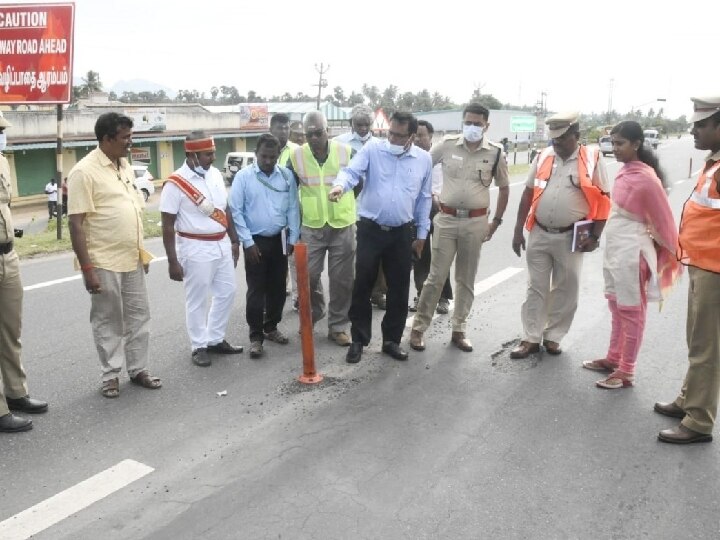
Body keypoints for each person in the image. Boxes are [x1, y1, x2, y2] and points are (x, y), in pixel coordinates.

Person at [68, 112, 162, 398]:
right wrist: (87, 268)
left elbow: (131, 210)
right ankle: (110, 375)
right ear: (107, 139)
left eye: (130, 137)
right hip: (103, 259)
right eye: (125, 138)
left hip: (131, 257)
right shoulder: (84, 172)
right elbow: (75, 222)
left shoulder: (124, 165)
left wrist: (140, 252)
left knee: (138, 315)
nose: (129, 143)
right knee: (109, 319)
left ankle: (138, 369)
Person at [582, 121, 681, 389]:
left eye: (620, 144)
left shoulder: (647, 179)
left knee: (631, 310)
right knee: (615, 305)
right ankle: (613, 358)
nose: (614, 149)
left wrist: (665, 253)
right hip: (616, 248)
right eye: (612, 143)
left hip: (632, 252)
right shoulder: (626, 171)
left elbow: (664, 221)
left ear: (636, 144)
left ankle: (627, 370)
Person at [330, 111, 432, 364]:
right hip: (370, 229)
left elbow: (424, 198)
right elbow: (351, 172)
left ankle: (391, 341)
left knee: (399, 288)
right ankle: (358, 340)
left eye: (399, 136)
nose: (393, 139)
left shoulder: (423, 160)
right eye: (390, 133)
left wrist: (421, 234)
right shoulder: (373, 150)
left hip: (402, 233)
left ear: (411, 136)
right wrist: (340, 186)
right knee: (362, 284)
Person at [510, 112, 611, 359]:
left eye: (563, 137)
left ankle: (553, 336)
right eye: (553, 137)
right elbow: (527, 193)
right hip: (539, 232)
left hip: (571, 236)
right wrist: (517, 230)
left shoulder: (592, 158)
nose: (557, 142)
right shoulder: (544, 155)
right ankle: (530, 337)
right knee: (536, 287)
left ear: (576, 136)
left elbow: (604, 199)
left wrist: (595, 236)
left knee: (566, 287)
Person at [409, 104, 509, 353]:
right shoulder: (447, 145)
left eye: (477, 123)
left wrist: (495, 222)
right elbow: (421, 168)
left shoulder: (496, 152)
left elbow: (505, 187)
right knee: (435, 277)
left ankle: (459, 330)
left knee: (466, 279)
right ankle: (419, 329)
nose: (472, 127)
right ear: (462, 122)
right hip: (446, 219)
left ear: (487, 125)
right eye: (468, 122)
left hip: (476, 223)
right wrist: (427, 196)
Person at [655, 96, 720, 444]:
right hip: (702, 266)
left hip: (715, 271)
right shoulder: (713, 163)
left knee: (706, 347)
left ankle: (698, 420)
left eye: (701, 124)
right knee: (697, 340)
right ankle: (688, 399)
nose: (694, 129)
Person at [159, 131, 244, 367]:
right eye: (208, 154)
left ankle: (215, 339)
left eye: (213, 152)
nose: (213, 158)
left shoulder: (215, 174)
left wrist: (234, 241)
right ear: (192, 154)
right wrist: (172, 261)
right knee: (197, 300)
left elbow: (224, 210)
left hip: (222, 244)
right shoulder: (175, 184)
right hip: (194, 246)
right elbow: (167, 225)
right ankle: (198, 345)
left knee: (227, 292)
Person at [288, 111, 355, 347]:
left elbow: (358, 183)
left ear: (328, 130)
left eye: (319, 132)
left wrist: (345, 203)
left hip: (342, 225)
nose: (314, 137)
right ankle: (315, 313)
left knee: (341, 280)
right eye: (309, 134)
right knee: (308, 276)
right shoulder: (295, 157)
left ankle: (338, 327)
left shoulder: (345, 152)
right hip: (312, 226)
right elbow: (290, 194)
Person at [229, 134, 300, 358]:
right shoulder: (244, 177)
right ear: (255, 154)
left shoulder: (287, 176)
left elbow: (293, 209)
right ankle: (256, 336)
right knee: (256, 290)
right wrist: (247, 242)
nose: (268, 161)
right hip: (255, 241)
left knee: (278, 288)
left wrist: (293, 238)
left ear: (278, 155)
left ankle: (271, 327)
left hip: (280, 239)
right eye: (263, 156)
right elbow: (235, 210)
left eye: (272, 157)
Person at [0, 111, 48, 433]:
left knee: (10, 332)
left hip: (8, 256)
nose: (1, 133)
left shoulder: (3, 162)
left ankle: (16, 393)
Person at [334, 105, 388, 310]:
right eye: (359, 124)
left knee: (373, 255)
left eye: (367, 124)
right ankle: (350, 297)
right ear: (351, 124)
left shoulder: (381, 145)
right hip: (347, 207)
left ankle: (377, 293)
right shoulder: (338, 144)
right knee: (348, 256)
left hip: (373, 207)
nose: (363, 128)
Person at [409, 119, 453, 316]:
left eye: (421, 135)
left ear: (430, 137)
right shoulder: (410, 158)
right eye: (414, 135)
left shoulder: (441, 159)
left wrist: (439, 198)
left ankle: (443, 297)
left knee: (441, 256)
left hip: (440, 211)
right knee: (420, 256)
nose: (417, 139)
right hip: (417, 213)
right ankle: (422, 295)